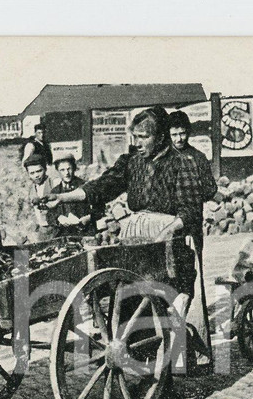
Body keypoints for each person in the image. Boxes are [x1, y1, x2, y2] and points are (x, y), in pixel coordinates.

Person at [43, 106, 207, 317]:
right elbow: (102, 187)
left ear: (160, 137)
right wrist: (62, 197)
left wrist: (169, 230)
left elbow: (191, 210)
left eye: (143, 137)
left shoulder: (182, 163)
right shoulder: (132, 162)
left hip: (169, 242)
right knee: (129, 299)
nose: (137, 143)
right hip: (137, 241)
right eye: (134, 137)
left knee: (168, 303)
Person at [168, 110, 218, 250]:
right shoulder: (162, 159)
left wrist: (194, 196)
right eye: (174, 135)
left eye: (182, 133)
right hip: (169, 220)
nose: (179, 139)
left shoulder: (198, 157)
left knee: (195, 257)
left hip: (194, 218)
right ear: (168, 135)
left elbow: (210, 189)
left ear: (188, 132)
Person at [50, 152, 103, 237]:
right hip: (64, 234)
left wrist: (89, 218)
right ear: (57, 171)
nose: (66, 173)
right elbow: (50, 214)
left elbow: (100, 210)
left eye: (69, 169)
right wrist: (58, 218)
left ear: (74, 168)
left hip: (85, 233)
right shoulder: (55, 191)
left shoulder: (86, 187)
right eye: (62, 170)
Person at [22, 153, 57, 241]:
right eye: (32, 173)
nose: (36, 175)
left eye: (39, 171)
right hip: (42, 229)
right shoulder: (31, 189)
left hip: (57, 228)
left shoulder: (53, 183)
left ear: (45, 169)